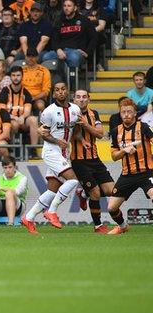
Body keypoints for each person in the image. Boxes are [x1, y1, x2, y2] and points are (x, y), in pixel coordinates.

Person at [21, 82, 82, 234]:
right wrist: (57, 141)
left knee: (52, 191)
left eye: (63, 89)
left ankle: (28, 218)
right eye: (57, 90)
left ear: (67, 91)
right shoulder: (48, 112)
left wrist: (80, 141)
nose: (60, 92)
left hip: (63, 153)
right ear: (53, 94)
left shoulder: (75, 109)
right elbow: (43, 133)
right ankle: (52, 211)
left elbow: (76, 130)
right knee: (73, 180)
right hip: (51, 151)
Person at [70, 89, 115, 233]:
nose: (81, 99)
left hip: (95, 158)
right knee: (95, 192)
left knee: (111, 190)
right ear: (74, 99)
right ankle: (98, 226)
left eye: (84, 97)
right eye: (78, 97)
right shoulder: (69, 113)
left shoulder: (93, 113)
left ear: (89, 99)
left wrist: (86, 124)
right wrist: (81, 137)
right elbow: (70, 134)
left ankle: (84, 193)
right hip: (79, 160)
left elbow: (100, 134)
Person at [107, 98, 153, 235]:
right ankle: (122, 226)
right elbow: (114, 156)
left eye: (129, 112)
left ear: (135, 114)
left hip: (147, 172)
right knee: (111, 208)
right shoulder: (116, 131)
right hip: (127, 174)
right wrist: (124, 150)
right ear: (120, 114)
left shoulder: (144, 127)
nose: (126, 114)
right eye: (123, 112)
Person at [43, 0, 96, 78]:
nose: (66, 8)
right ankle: (55, 84)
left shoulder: (84, 20)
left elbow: (94, 37)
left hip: (76, 51)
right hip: (61, 50)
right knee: (46, 57)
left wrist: (87, 52)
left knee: (73, 57)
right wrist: (58, 50)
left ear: (75, 8)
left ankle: (72, 86)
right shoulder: (59, 21)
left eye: (69, 6)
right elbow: (54, 39)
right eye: (64, 6)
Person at [0, 66, 38, 151]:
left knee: (33, 120)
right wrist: (15, 118)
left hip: (22, 120)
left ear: (22, 76)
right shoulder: (5, 91)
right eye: (13, 75)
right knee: (14, 124)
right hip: (9, 120)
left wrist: (22, 117)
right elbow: (2, 111)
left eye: (18, 75)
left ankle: (33, 149)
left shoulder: (26, 92)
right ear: (10, 77)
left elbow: (27, 111)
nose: (15, 78)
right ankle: (12, 149)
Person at [22, 48, 51, 113]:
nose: (30, 58)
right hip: (23, 98)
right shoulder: (21, 70)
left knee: (40, 105)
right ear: (25, 57)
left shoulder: (44, 71)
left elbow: (46, 91)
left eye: (33, 56)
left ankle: (42, 122)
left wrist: (33, 98)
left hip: (38, 98)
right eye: (28, 56)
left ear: (37, 58)